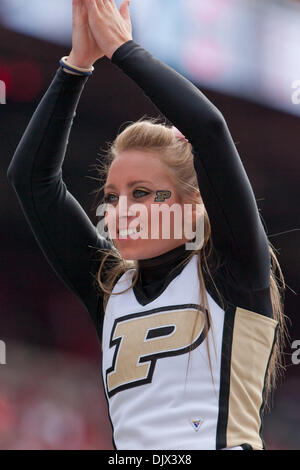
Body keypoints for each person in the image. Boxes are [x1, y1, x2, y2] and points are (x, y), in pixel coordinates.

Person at [7, 0, 287, 450]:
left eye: (141, 193)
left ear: (193, 202)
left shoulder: (231, 271)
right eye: (113, 197)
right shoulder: (110, 286)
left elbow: (209, 130)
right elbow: (33, 181)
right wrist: (75, 65)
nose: (121, 210)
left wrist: (123, 48)